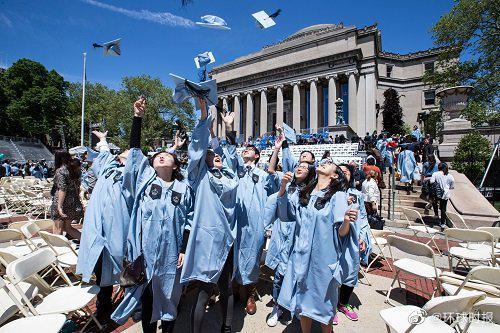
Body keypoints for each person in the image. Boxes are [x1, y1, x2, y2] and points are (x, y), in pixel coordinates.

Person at [111, 97, 194, 333]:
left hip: (171, 253)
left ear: (176, 165)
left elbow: (189, 219)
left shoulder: (184, 189)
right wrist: (137, 118)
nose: (160, 155)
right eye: (157, 154)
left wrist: (183, 249)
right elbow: (135, 152)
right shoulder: (144, 182)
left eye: (166, 155)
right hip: (144, 252)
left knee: (169, 297)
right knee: (147, 298)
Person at [275, 159, 354, 333]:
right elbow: (286, 215)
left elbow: (341, 232)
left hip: (322, 262)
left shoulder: (337, 196)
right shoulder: (305, 194)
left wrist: (347, 220)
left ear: (334, 175)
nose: (325, 162)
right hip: (301, 259)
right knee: (303, 304)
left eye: (330, 163)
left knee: (324, 309)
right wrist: (282, 188)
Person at [180, 102, 239, 333]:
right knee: (204, 291)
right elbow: (197, 147)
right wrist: (204, 118)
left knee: (226, 288)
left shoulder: (230, 176)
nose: (217, 156)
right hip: (206, 240)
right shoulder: (199, 176)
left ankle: (226, 327)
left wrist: (229, 128)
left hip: (227, 239)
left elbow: (231, 155)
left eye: (218, 155)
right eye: (211, 154)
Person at [76, 130, 134, 324]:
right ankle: (103, 310)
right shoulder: (107, 169)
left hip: (121, 232)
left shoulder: (133, 176)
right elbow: (104, 155)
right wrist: (102, 140)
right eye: (122, 154)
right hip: (98, 233)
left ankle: (132, 305)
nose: (122, 156)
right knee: (103, 277)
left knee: (127, 272)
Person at [264, 135, 317, 327]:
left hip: (300, 239)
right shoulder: (287, 181)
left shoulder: (313, 192)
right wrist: (284, 186)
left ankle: (295, 307)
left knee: (298, 276)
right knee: (279, 274)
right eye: (298, 164)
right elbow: (271, 169)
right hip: (282, 235)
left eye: (305, 164)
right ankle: (277, 307)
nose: (300, 166)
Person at [335, 164, 372, 325]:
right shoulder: (331, 194)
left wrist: (363, 237)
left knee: (350, 271)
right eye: (340, 171)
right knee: (331, 272)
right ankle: (329, 306)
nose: (343, 173)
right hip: (333, 238)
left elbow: (363, 218)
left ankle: (343, 303)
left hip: (352, 239)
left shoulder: (357, 194)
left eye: (347, 171)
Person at [51, 150, 82, 240]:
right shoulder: (75, 169)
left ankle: (58, 250)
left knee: (58, 228)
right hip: (73, 202)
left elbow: (62, 189)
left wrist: (59, 206)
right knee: (68, 228)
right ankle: (88, 243)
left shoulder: (61, 171)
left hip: (61, 202)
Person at [430, 163, 455, 231]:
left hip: (437, 193)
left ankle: (436, 214)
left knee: (434, 202)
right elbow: (452, 187)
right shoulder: (450, 176)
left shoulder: (435, 174)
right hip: (446, 194)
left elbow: (431, 181)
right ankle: (442, 223)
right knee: (444, 208)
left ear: (438, 167)